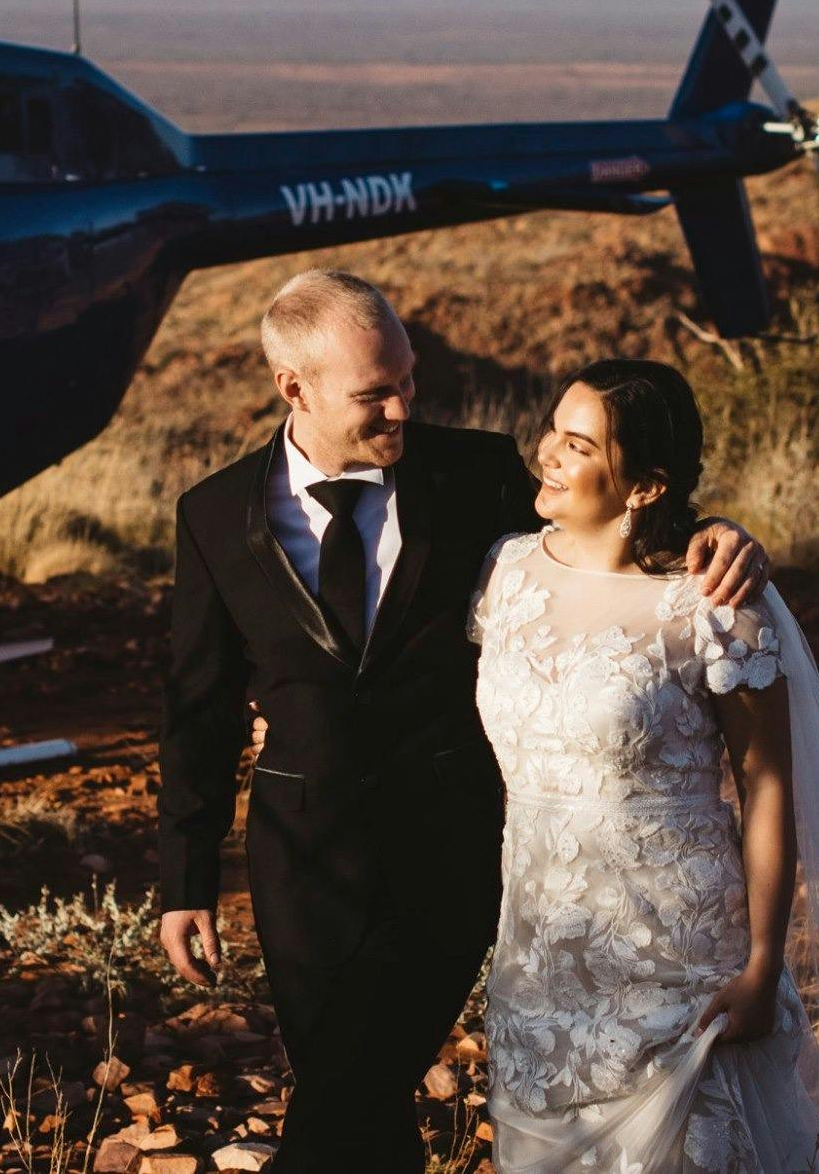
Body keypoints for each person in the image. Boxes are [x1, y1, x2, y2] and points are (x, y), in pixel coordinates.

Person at [155, 271, 768, 1173]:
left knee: (351, 1085)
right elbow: (198, 704)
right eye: (376, 393)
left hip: (451, 848)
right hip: (301, 861)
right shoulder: (212, 514)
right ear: (296, 389)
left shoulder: (475, 474)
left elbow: (613, 519)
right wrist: (185, 875)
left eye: (407, 378)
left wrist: (717, 530)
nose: (404, 406)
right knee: (352, 1094)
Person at [469, 358, 819, 1172]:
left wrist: (764, 961)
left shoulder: (713, 604)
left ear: (646, 487)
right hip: (540, 959)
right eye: (554, 429)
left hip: (680, 959)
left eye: (578, 445)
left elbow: (767, 788)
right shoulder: (503, 571)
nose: (548, 452)